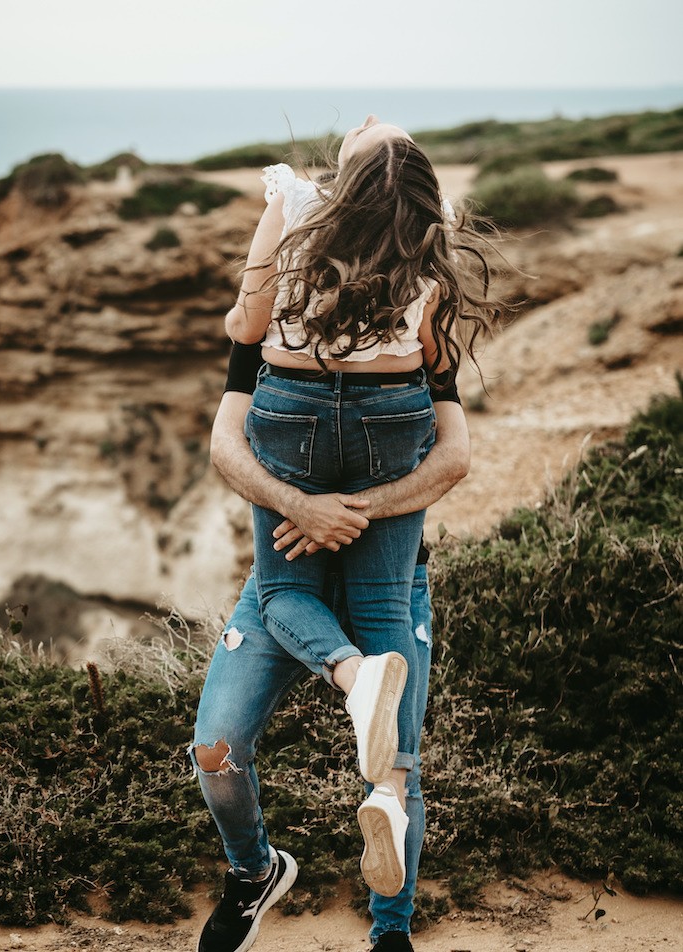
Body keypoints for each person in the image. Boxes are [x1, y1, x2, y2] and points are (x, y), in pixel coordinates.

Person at [218, 116, 501, 901]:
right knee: (386, 624)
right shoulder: (425, 239)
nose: (371, 118)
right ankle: (390, 809)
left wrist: (253, 320)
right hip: (392, 421)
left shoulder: (295, 199)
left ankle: (353, 679)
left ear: (355, 176)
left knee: (281, 592)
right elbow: (434, 365)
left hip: (292, 413)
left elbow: (246, 324)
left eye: (378, 131)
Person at [189, 339, 469, 952]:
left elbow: (454, 456)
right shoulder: (278, 322)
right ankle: (254, 874)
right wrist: (299, 506)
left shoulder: (410, 323)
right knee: (215, 747)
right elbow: (225, 445)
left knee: (397, 770)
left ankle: (391, 931)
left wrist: (347, 513)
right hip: (284, 584)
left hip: (392, 583)